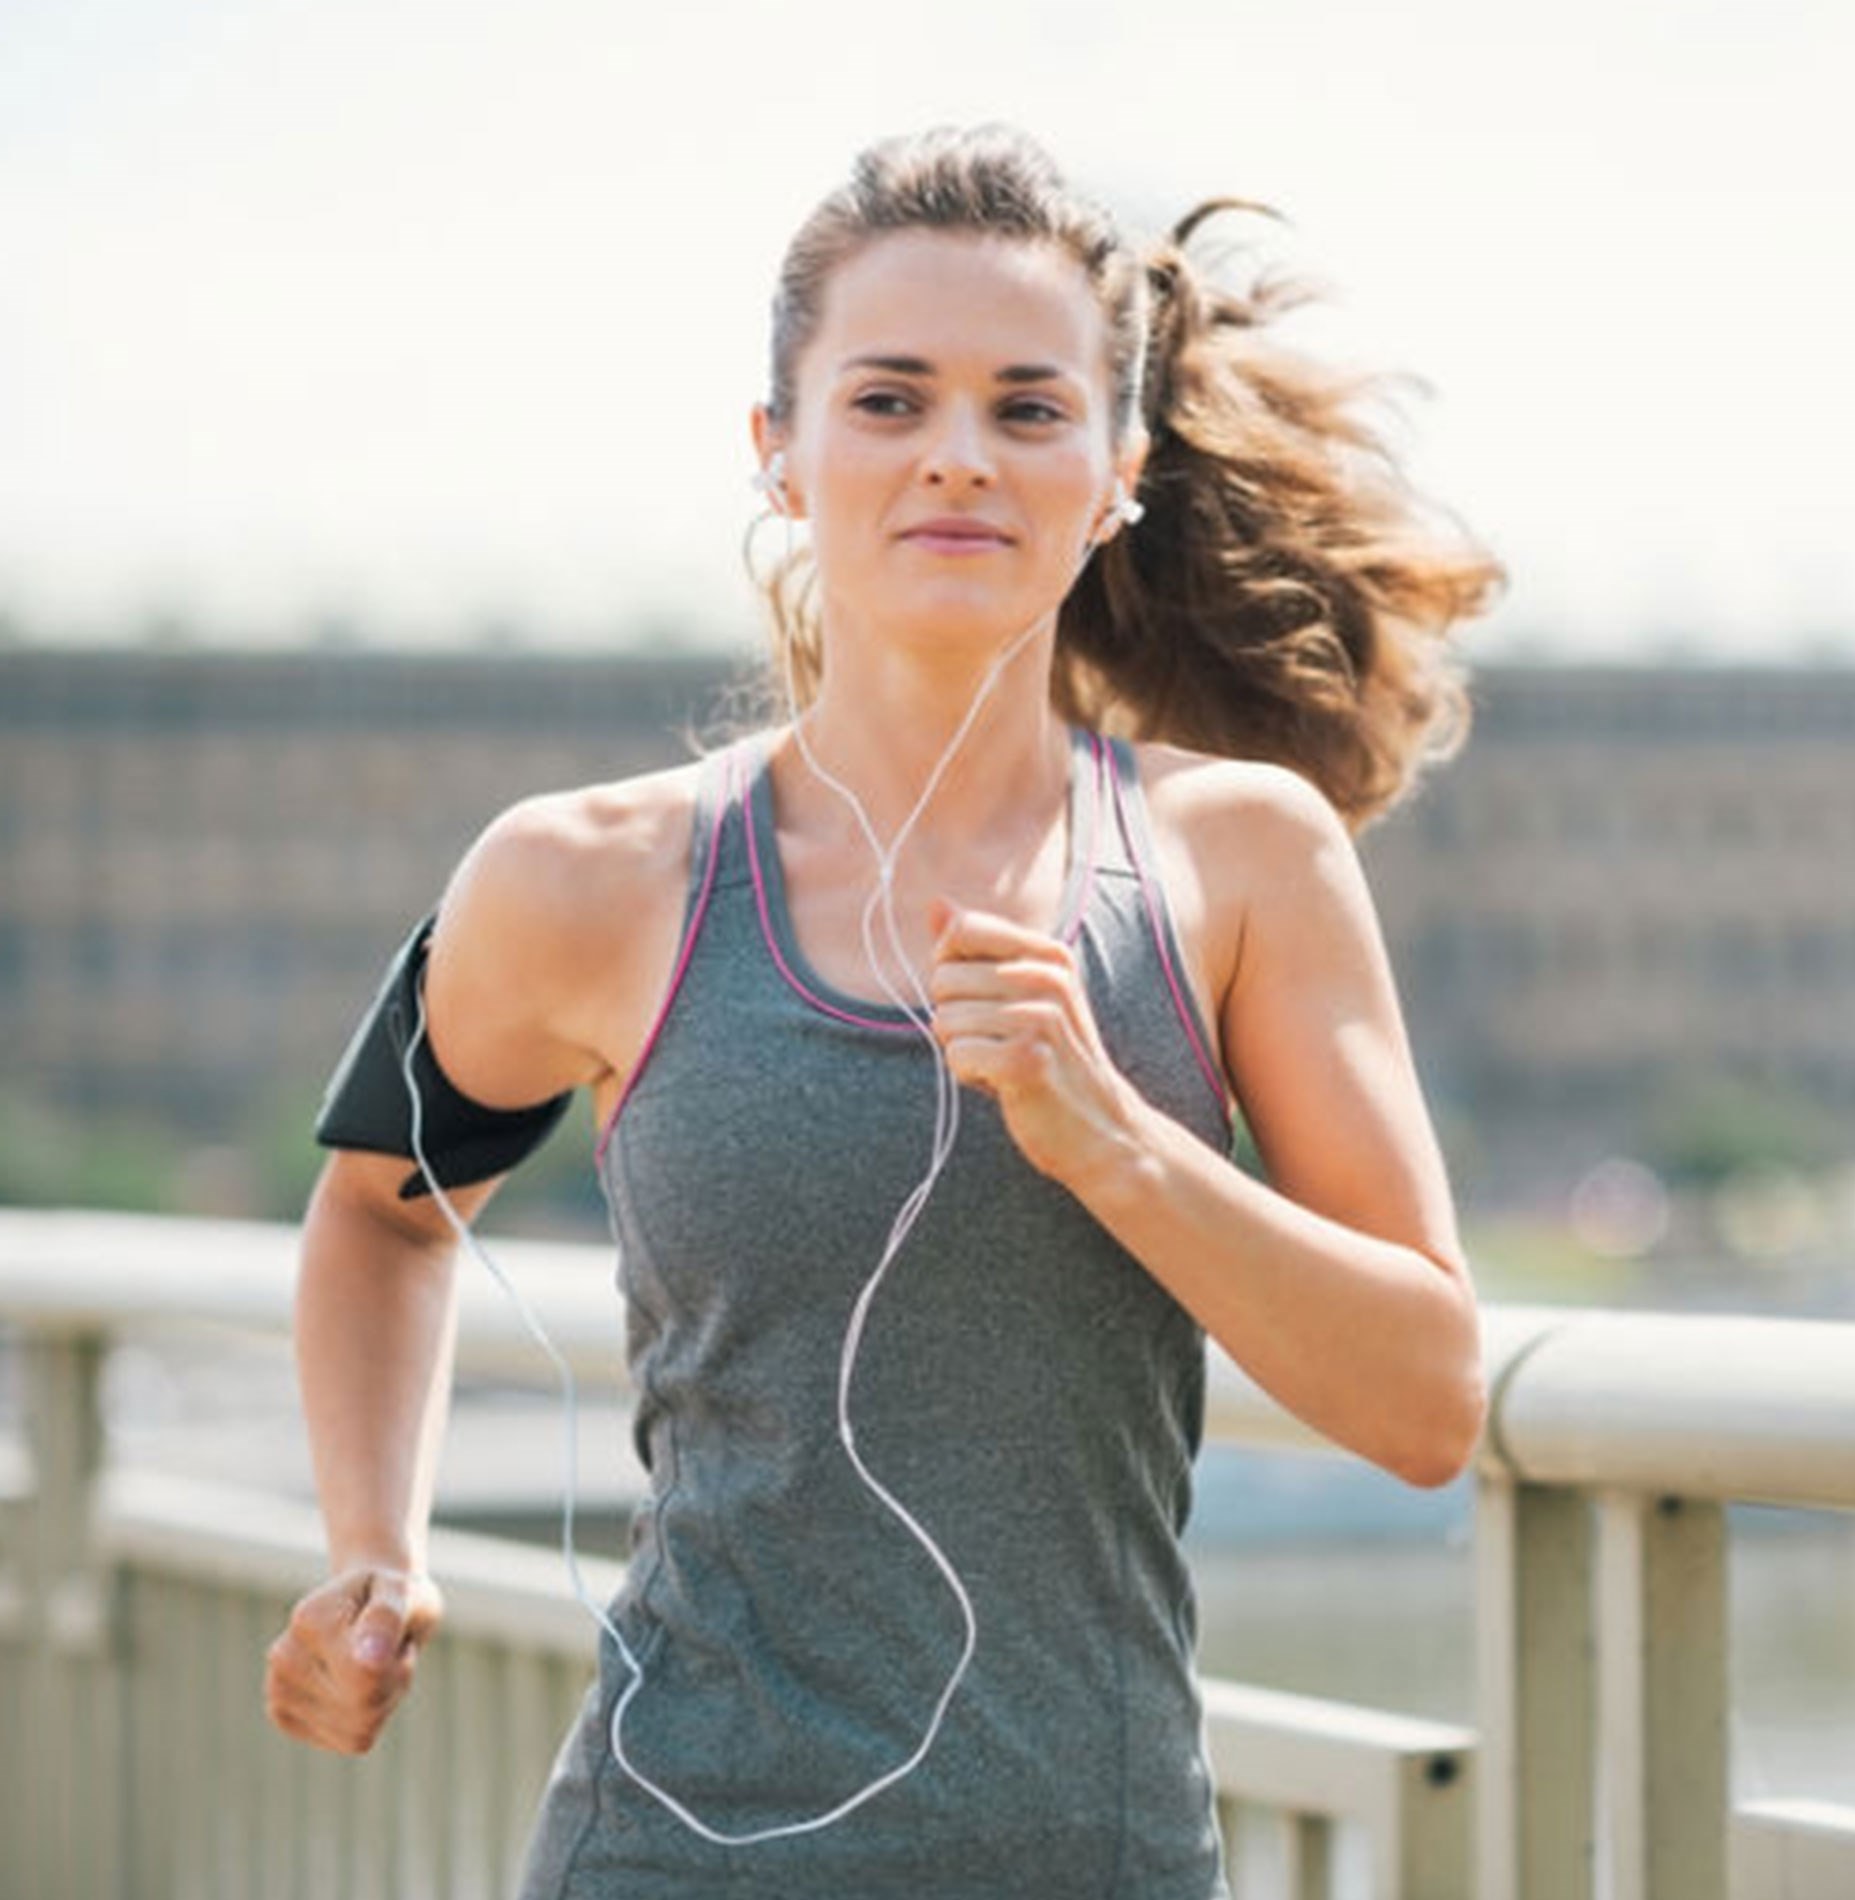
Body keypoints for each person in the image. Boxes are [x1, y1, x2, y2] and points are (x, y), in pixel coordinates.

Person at [264, 123, 1502, 1898]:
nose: (957, 460)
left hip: (1108, 1861)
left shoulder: (1241, 862)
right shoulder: (584, 879)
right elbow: (383, 1218)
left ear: (1119, 467)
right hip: (669, 1858)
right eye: (889, 399)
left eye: (1026, 407)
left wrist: (1120, 1147)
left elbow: (1426, 1401)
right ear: (777, 451)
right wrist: (370, 1551)